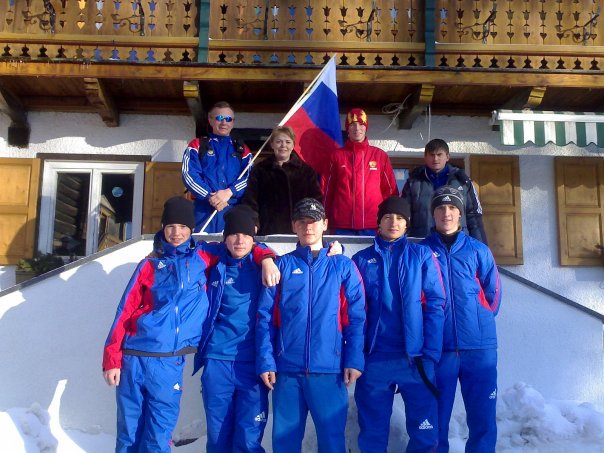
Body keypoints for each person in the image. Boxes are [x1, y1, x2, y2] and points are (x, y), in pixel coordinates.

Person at [102, 197, 276, 453]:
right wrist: (112, 358)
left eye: (183, 226)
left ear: (192, 229)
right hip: (134, 354)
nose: (177, 233)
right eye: (171, 226)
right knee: (129, 433)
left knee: (158, 434)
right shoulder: (149, 264)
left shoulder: (203, 255)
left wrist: (267, 257)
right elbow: (124, 311)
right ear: (163, 228)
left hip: (170, 359)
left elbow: (242, 243)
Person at [255, 198, 366, 453]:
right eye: (302, 222)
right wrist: (266, 361)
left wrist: (354, 359)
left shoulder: (343, 266)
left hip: (329, 371)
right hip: (287, 373)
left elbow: (356, 318)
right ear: (294, 225)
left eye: (314, 221)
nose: (308, 227)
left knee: (332, 444)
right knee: (285, 445)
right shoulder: (281, 266)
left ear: (325, 224)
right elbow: (265, 319)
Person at [352, 196, 445, 453]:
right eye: (388, 217)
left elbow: (435, 304)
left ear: (407, 223)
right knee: (372, 433)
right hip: (375, 359)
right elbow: (354, 312)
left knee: (425, 434)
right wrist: (357, 356)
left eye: (400, 218)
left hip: (415, 359)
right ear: (378, 222)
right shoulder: (361, 260)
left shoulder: (421, 255)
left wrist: (431, 354)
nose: (394, 222)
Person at [421, 186, 501, 453]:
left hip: (478, 349)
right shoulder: (421, 252)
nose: (447, 213)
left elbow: (493, 295)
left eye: (452, 208)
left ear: (460, 213)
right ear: (433, 213)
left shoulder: (478, 250)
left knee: (483, 421)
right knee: (435, 422)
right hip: (439, 349)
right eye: (441, 208)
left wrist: (478, 320)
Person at [194, 205, 270, 452]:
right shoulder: (214, 263)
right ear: (225, 238)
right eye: (234, 234)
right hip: (218, 361)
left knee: (248, 439)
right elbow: (187, 247)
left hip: (253, 364)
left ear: (253, 239)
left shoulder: (263, 266)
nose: (240, 240)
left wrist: (266, 257)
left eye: (246, 235)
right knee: (218, 438)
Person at [322, 108, 398, 235]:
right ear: (347, 129)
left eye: (361, 124)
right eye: (352, 125)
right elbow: (326, 191)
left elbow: (390, 192)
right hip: (341, 224)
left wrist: (390, 221)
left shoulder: (380, 156)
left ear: (366, 127)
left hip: (373, 225)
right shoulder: (336, 156)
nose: (357, 128)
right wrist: (323, 219)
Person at [182, 101, 252, 233]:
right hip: (203, 210)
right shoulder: (197, 145)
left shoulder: (242, 149)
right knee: (201, 245)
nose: (224, 122)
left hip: (232, 210)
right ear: (210, 120)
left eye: (228, 119)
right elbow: (189, 175)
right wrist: (210, 197)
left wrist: (229, 192)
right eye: (219, 118)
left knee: (231, 244)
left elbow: (249, 177)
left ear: (233, 122)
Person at [401, 138, 488, 244]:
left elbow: (474, 216)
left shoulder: (462, 181)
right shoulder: (413, 182)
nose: (435, 159)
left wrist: (480, 246)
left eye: (439, 155)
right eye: (432, 155)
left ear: (447, 157)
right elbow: (403, 216)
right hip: (422, 242)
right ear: (425, 157)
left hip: (457, 243)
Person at [242, 125, 323, 235]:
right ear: (272, 144)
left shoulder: (306, 172)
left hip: (300, 231)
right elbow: (251, 201)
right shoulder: (260, 170)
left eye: (288, 142)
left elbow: (316, 201)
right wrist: (254, 223)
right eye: (278, 142)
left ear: (293, 145)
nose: (283, 145)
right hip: (268, 230)